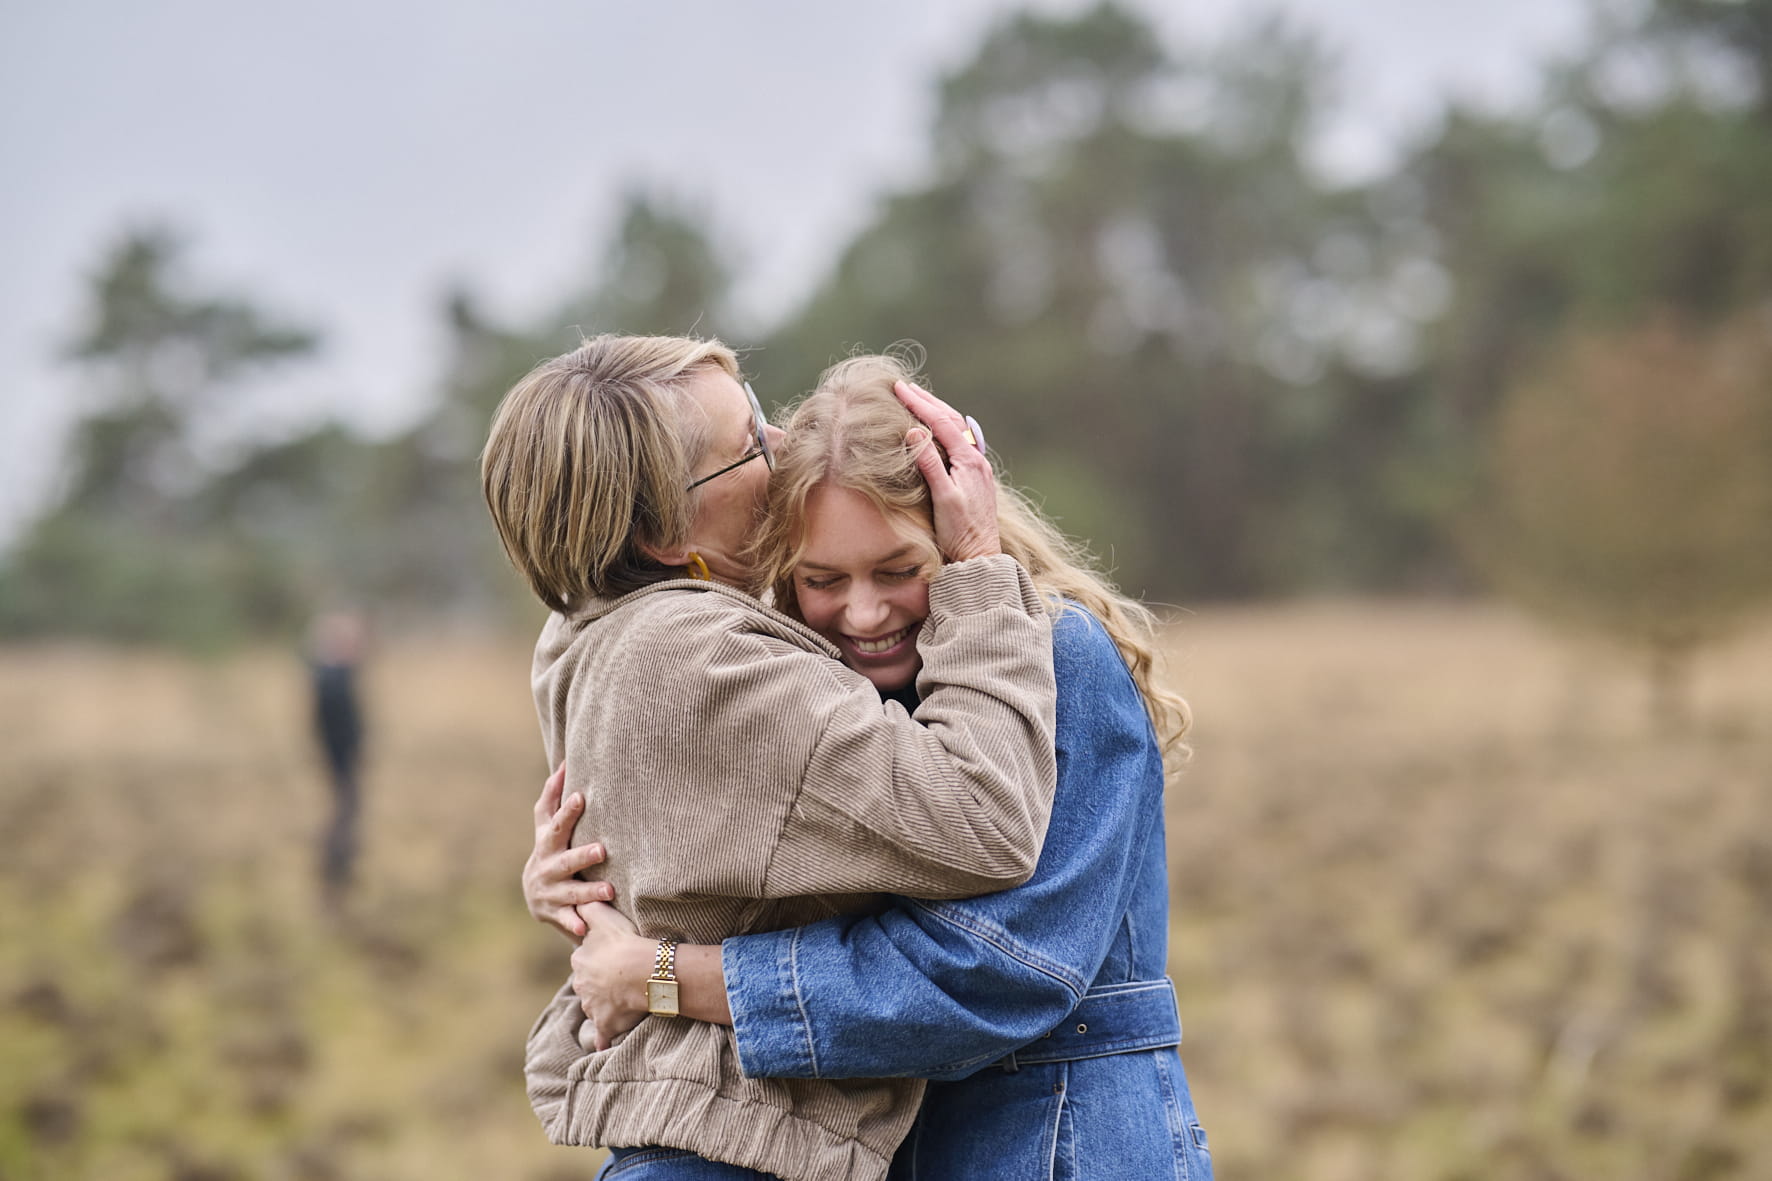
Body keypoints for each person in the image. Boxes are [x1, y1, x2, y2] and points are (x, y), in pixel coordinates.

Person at [526, 355, 1214, 1179]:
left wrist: (664, 974)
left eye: (899, 570)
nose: (863, 609)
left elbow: (1000, 971)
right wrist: (593, 875)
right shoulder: (822, 679)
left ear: (957, 533)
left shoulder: (1056, 657)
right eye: (822, 577)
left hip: (1064, 1137)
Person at [307, 608, 368, 903]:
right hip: (340, 757)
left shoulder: (332, 675)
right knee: (344, 809)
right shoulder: (333, 679)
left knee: (346, 809)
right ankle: (335, 867)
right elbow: (331, 726)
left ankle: (340, 866)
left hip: (342, 756)